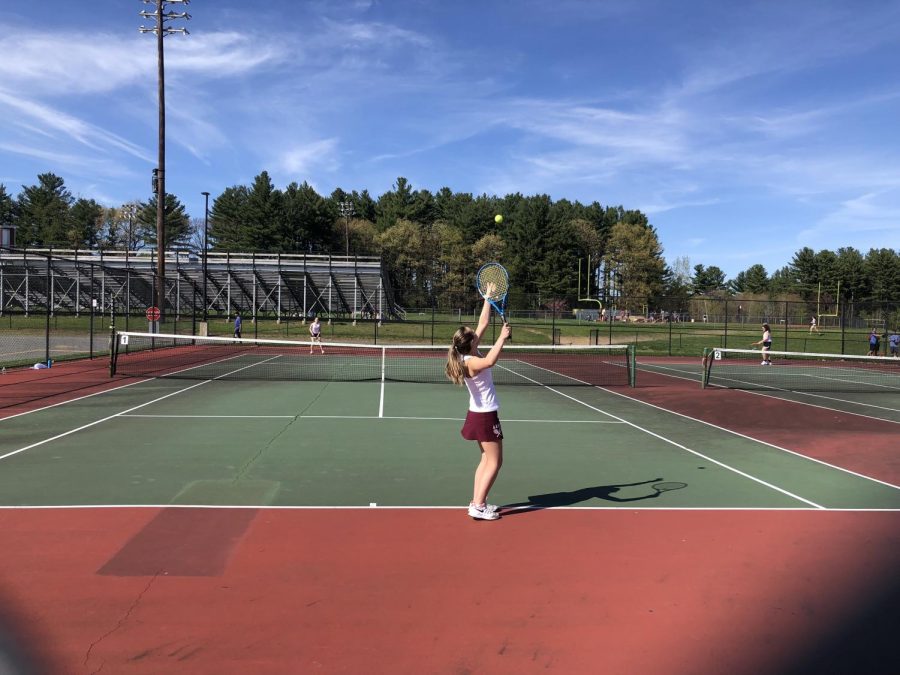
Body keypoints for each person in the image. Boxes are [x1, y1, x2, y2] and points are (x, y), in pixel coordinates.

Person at [445, 286, 512, 522]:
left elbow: (483, 322)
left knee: (485, 459)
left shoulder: (467, 353)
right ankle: (479, 505)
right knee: (495, 461)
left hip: (477, 414)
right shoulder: (472, 361)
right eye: (474, 333)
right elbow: (492, 361)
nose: (477, 331)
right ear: (471, 342)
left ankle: (476, 502)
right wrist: (502, 338)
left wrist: (487, 298)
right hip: (485, 416)